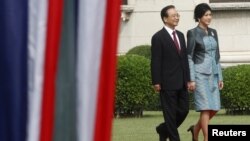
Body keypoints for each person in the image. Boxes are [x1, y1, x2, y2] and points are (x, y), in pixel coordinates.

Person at [151, 5, 191, 141]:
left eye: (177, 15)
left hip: (182, 82)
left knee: (184, 110)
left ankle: (163, 129)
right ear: (165, 18)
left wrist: (188, 79)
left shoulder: (180, 35)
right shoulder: (158, 37)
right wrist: (156, 81)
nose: (177, 17)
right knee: (170, 114)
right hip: (167, 82)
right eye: (173, 15)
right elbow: (156, 61)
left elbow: (184, 59)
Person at [186, 3, 224, 141]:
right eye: (206, 15)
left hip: (213, 75)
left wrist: (220, 76)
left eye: (210, 15)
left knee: (215, 108)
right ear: (198, 17)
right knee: (205, 108)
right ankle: (206, 138)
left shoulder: (214, 32)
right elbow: (189, 56)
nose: (209, 17)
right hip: (199, 75)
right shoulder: (192, 33)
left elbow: (217, 56)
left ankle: (195, 128)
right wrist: (191, 79)